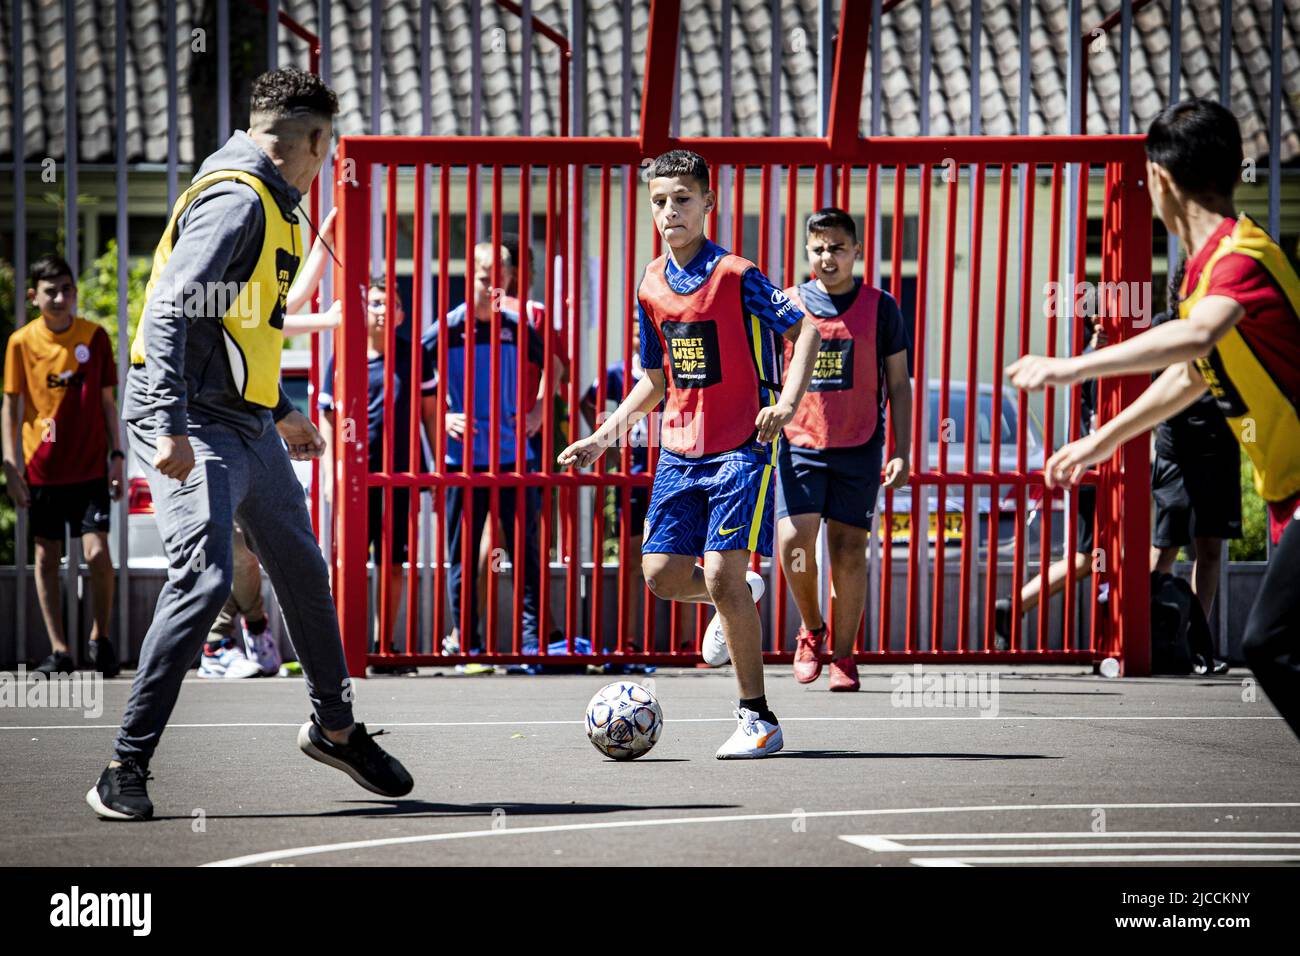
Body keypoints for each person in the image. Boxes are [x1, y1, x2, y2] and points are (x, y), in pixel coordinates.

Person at [89, 68, 413, 822]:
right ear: (312, 141)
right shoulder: (238, 202)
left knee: (300, 564)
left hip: (246, 417)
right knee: (203, 580)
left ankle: (335, 729)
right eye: (326, 146)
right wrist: (167, 423)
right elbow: (169, 313)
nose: (326, 159)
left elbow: (244, 325)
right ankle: (123, 766)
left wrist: (285, 407)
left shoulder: (279, 207)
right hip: (189, 417)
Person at [1008, 98, 1300, 741]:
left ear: (1161, 180)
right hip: (1289, 496)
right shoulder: (1207, 270)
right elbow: (1193, 374)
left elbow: (1196, 340)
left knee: (1271, 644)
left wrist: (1068, 368)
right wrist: (1100, 439)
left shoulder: (1240, 260)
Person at [558, 149, 822, 758]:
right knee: (662, 577)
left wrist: (785, 403)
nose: (669, 210)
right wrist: (605, 437)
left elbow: (805, 327)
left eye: (682, 198)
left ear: (709, 203)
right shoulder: (651, 284)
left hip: (741, 447)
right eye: (659, 200)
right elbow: (655, 377)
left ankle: (757, 717)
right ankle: (740, 596)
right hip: (680, 451)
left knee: (725, 569)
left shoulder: (736, 274)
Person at [200, 206, 342, 680]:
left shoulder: (261, 288)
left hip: (253, 429)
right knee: (227, 544)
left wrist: (324, 235)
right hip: (220, 426)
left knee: (256, 543)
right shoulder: (224, 289)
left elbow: (292, 299)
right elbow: (281, 320)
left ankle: (253, 628)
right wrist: (331, 321)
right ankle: (219, 642)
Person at [776, 209, 912, 691]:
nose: (827, 257)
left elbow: (898, 381)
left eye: (837, 247)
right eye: (818, 248)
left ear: (857, 250)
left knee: (850, 551)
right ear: (806, 252)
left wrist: (903, 448)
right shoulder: (788, 303)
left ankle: (846, 656)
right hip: (800, 443)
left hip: (859, 446)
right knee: (794, 544)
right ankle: (812, 630)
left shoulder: (882, 307)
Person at [2, 255, 124, 677]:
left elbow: (109, 404)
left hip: (90, 469)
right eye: (50, 291)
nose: (60, 298)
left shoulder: (95, 336)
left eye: (67, 289)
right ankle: (60, 651)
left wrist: (118, 457)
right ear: (34, 296)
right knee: (46, 556)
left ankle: (100, 638)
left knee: (98, 552)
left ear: (75, 293)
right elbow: (12, 405)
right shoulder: (20, 342)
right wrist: (10, 465)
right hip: (42, 471)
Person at [428, 241, 549, 657]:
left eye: (499, 277)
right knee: (462, 555)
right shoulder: (448, 328)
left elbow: (555, 366)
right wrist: (441, 417)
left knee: (526, 553)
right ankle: (467, 643)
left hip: (516, 457)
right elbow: (411, 378)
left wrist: (537, 410)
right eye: (482, 277)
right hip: (462, 460)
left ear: (511, 279)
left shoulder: (517, 327)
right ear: (470, 277)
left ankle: (531, 644)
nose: (490, 285)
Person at [319, 274, 439, 674]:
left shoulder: (415, 355)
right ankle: (340, 649)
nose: (383, 310)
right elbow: (329, 417)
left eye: (391, 304)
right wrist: (334, 470)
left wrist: (436, 471)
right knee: (348, 562)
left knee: (394, 562)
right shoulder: (343, 354)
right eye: (375, 303)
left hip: (401, 475)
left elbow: (430, 415)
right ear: (363, 311)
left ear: (402, 314)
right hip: (354, 480)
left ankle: (384, 648)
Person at [994, 314, 1106, 649]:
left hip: (1090, 467)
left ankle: (1016, 606)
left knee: (1088, 557)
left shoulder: (1088, 359)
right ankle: (1017, 606)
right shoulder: (1098, 364)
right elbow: (1099, 421)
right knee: (1093, 556)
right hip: (1100, 468)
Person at [1147, 307, 1241, 624]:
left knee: (1210, 547)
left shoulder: (1230, 325)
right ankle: (1153, 633)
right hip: (1176, 451)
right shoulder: (1166, 323)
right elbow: (1152, 387)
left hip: (1219, 449)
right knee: (1164, 547)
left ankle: (1196, 640)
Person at [579, 320, 655, 648]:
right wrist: (609, 451)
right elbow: (587, 400)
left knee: (681, 557)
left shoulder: (672, 370)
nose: (639, 334)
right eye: (635, 328)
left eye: (644, 328)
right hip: (632, 477)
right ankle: (629, 639)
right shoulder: (617, 373)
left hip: (670, 473)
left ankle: (682, 642)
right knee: (631, 559)